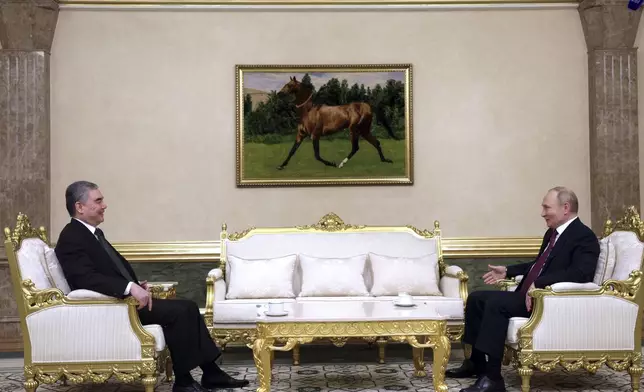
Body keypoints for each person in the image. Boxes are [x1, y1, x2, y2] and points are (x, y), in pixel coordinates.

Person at [54, 181, 249, 392]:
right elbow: (85, 279)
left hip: (121, 303)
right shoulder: (72, 237)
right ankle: (184, 381)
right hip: (110, 310)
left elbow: (108, 269)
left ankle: (211, 374)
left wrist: (136, 284)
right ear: (79, 207)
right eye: (98, 200)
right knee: (182, 312)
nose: (105, 205)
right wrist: (129, 288)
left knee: (188, 308)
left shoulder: (91, 233)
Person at [446, 186, 600, 392]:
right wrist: (508, 271)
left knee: (495, 304)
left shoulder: (584, 236)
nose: (542, 213)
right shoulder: (552, 233)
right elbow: (538, 264)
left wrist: (541, 283)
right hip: (528, 295)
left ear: (565, 208)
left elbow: (581, 273)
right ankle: (476, 363)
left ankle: (493, 379)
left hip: (547, 302)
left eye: (547, 207)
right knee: (476, 298)